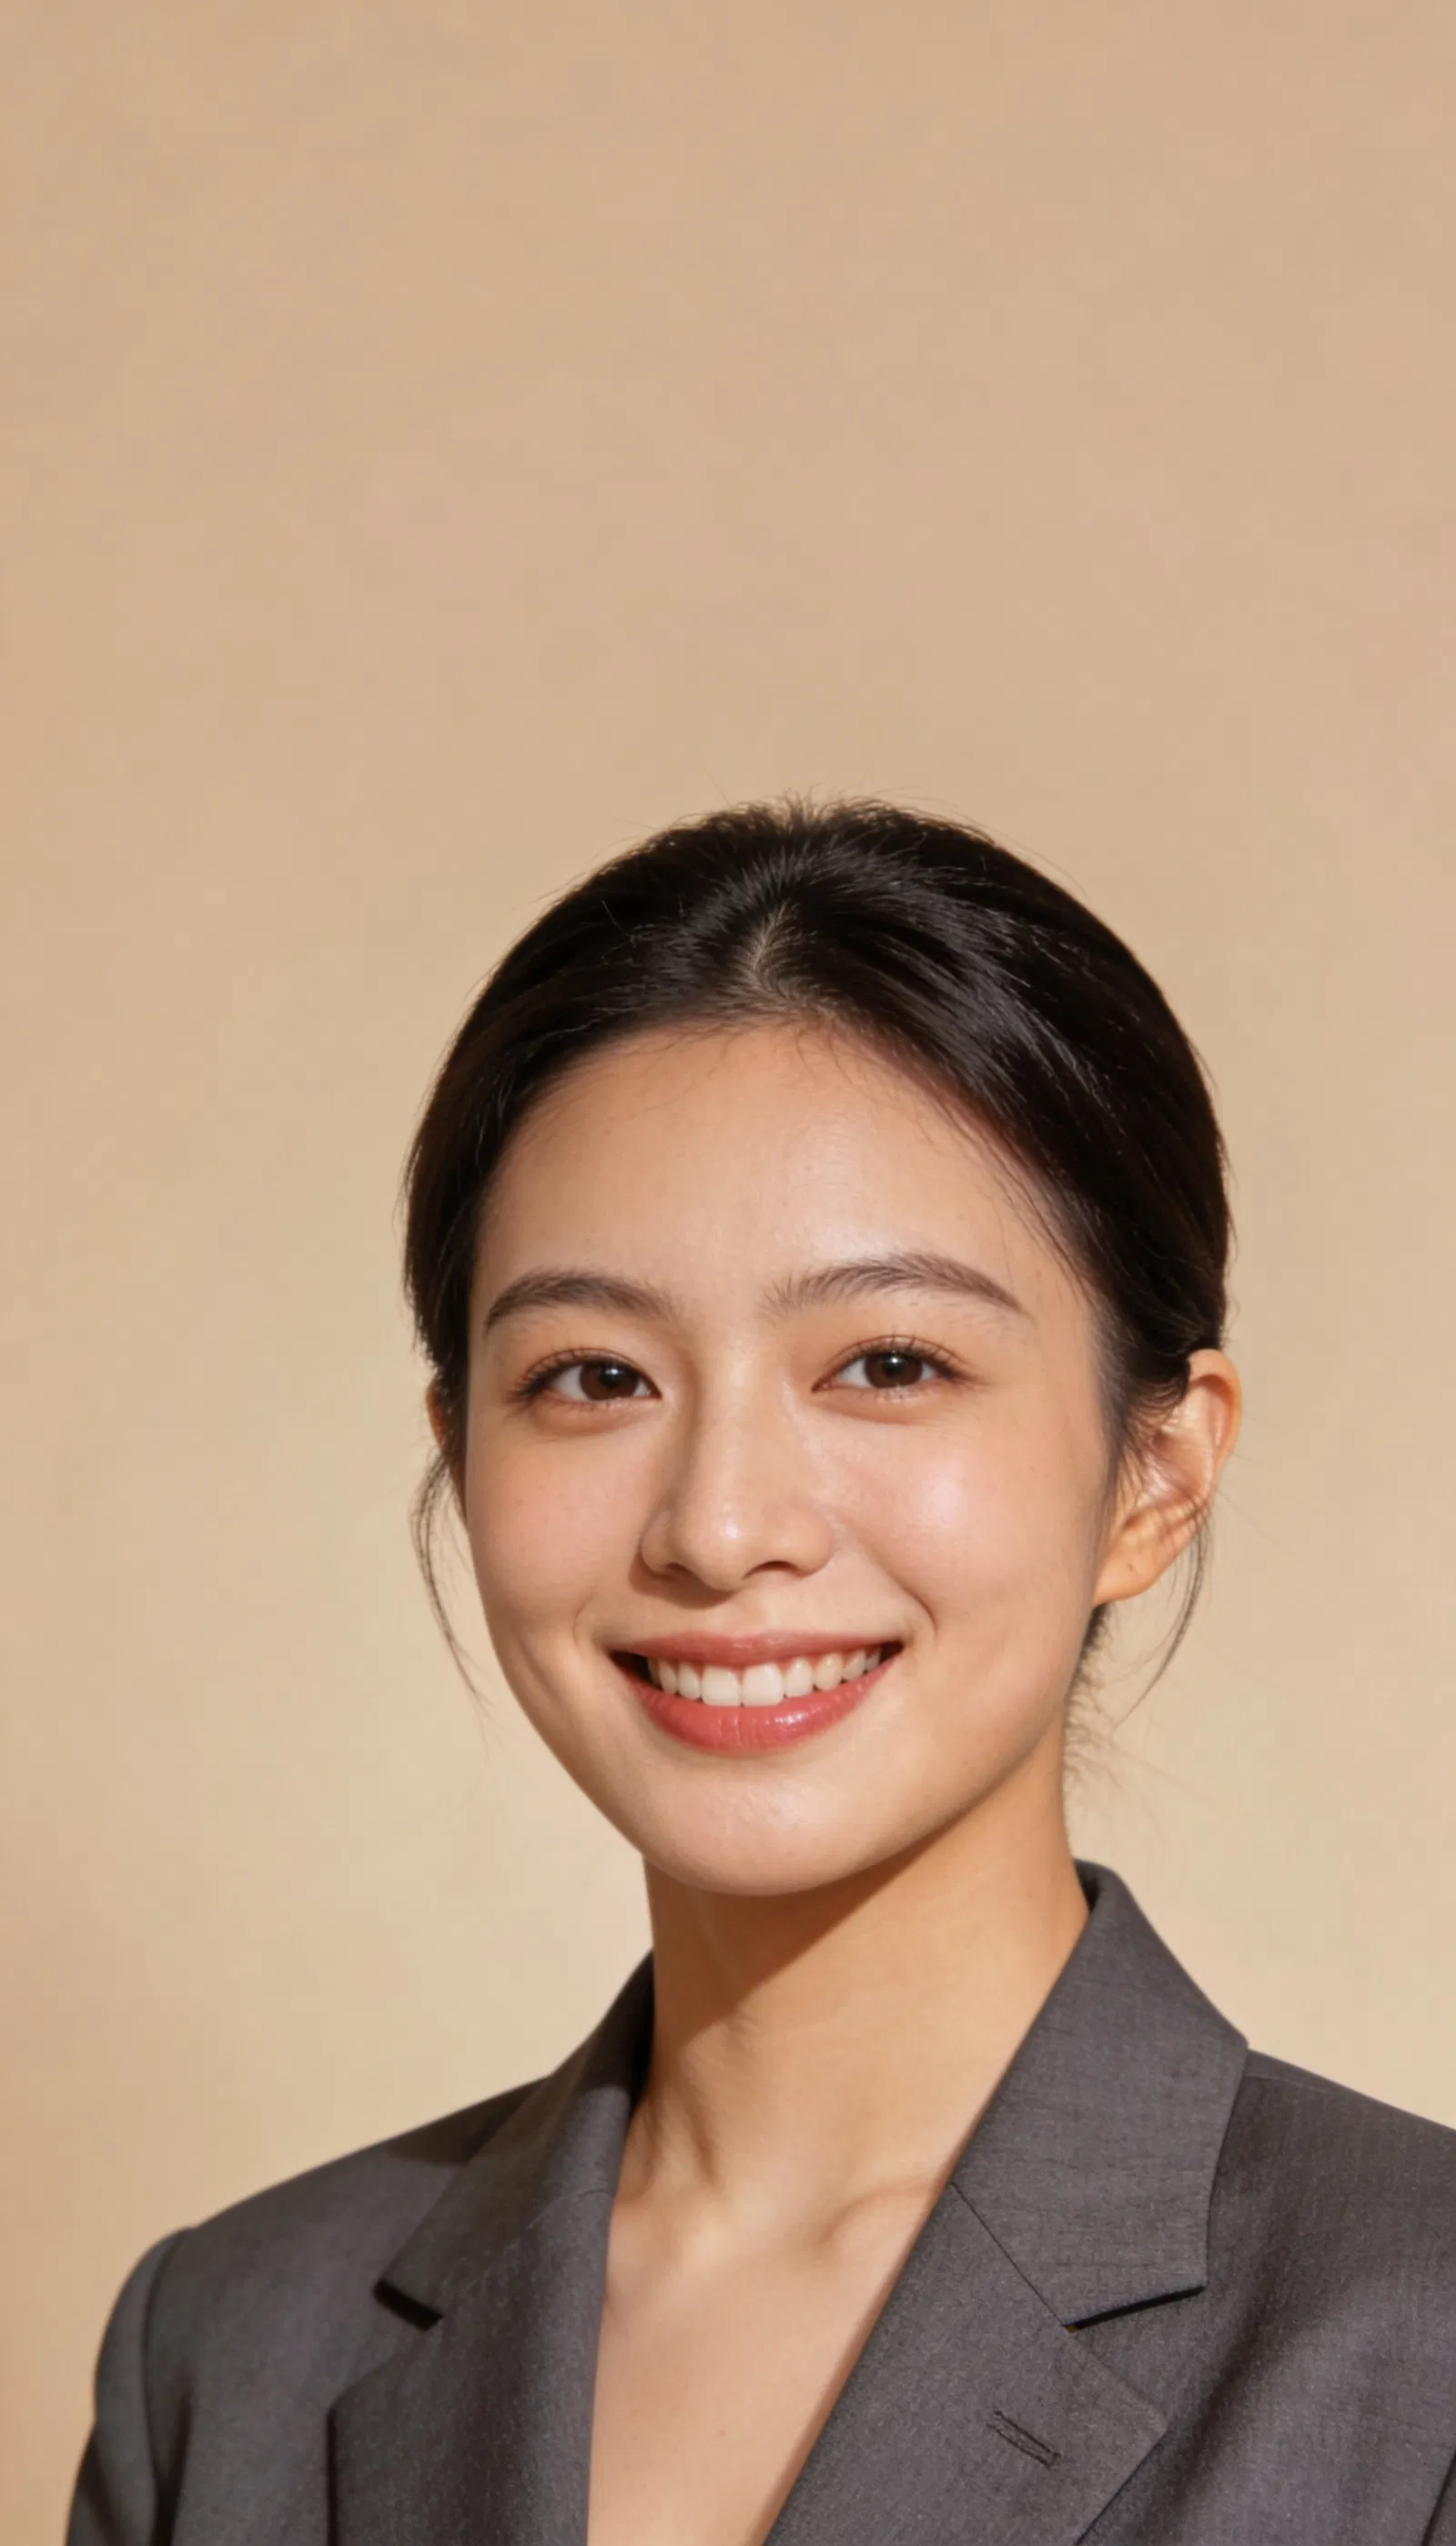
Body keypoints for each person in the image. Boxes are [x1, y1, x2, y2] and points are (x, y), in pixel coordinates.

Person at [71, 802, 1455, 2546]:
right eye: (592, 1377)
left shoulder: (1413, 2348)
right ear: (461, 1448)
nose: (719, 1529)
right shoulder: (228, 2354)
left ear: (1155, 1474)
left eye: (888, 1363)